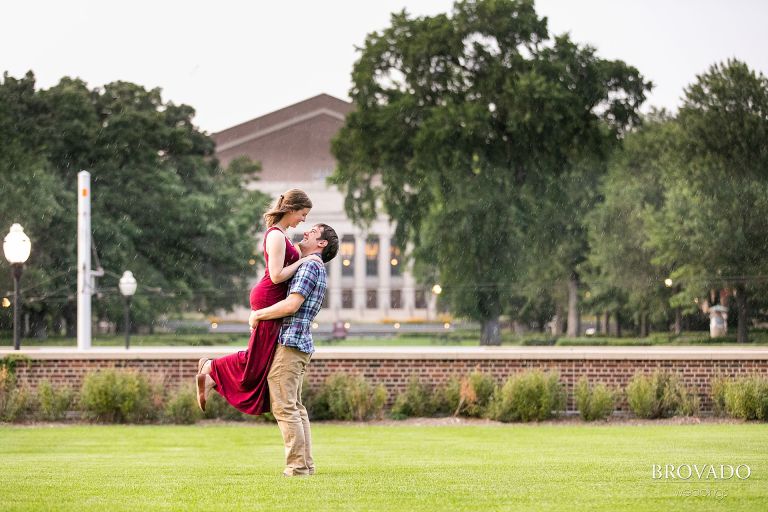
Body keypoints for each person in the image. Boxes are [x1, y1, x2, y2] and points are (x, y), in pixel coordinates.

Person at [195, 189, 322, 414]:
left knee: (259, 358)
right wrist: (304, 262)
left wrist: (303, 260)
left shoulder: (283, 235)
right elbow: (276, 276)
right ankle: (210, 368)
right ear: (291, 209)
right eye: (302, 214)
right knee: (256, 359)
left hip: (271, 297)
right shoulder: (275, 235)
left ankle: (211, 376)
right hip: (268, 295)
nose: (304, 220)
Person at [248, 222, 338, 477]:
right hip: (298, 343)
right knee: (295, 407)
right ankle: (305, 464)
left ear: (322, 243)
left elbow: (291, 305)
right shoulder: (314, 265)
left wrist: (258, 314)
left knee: (285, 407)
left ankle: (297, 467)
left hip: (290, 343)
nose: (307, 232)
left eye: (313, 231)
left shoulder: (310, 265)